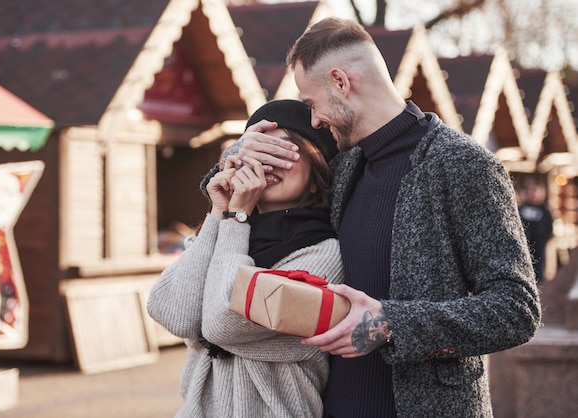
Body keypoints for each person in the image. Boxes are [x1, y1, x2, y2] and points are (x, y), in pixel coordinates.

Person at [208, 17, 541, 418]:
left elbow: (517, 309)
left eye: (312, 104)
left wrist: (392, 322)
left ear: (341, 82)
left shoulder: (463, 164)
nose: (313, 121)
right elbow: (265, 192)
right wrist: (238, 155)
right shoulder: (346, 165)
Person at [147, 99, 344, 417]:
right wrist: (219, 211)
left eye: (284, 150)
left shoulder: (323, 253)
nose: (269, 164)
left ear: (317, 162)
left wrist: (237, 218)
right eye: (258, 151)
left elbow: (223, 325)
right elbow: (173, 312)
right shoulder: (229, 230)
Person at [519, 179, 554, 283]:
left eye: (536, 191)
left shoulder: (545, 212)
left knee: (537, 276)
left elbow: (549, 229)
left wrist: (541, 241)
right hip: (522, 249)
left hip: (538, 251)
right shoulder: (520, 210)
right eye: (532, 191)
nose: (534, 194)